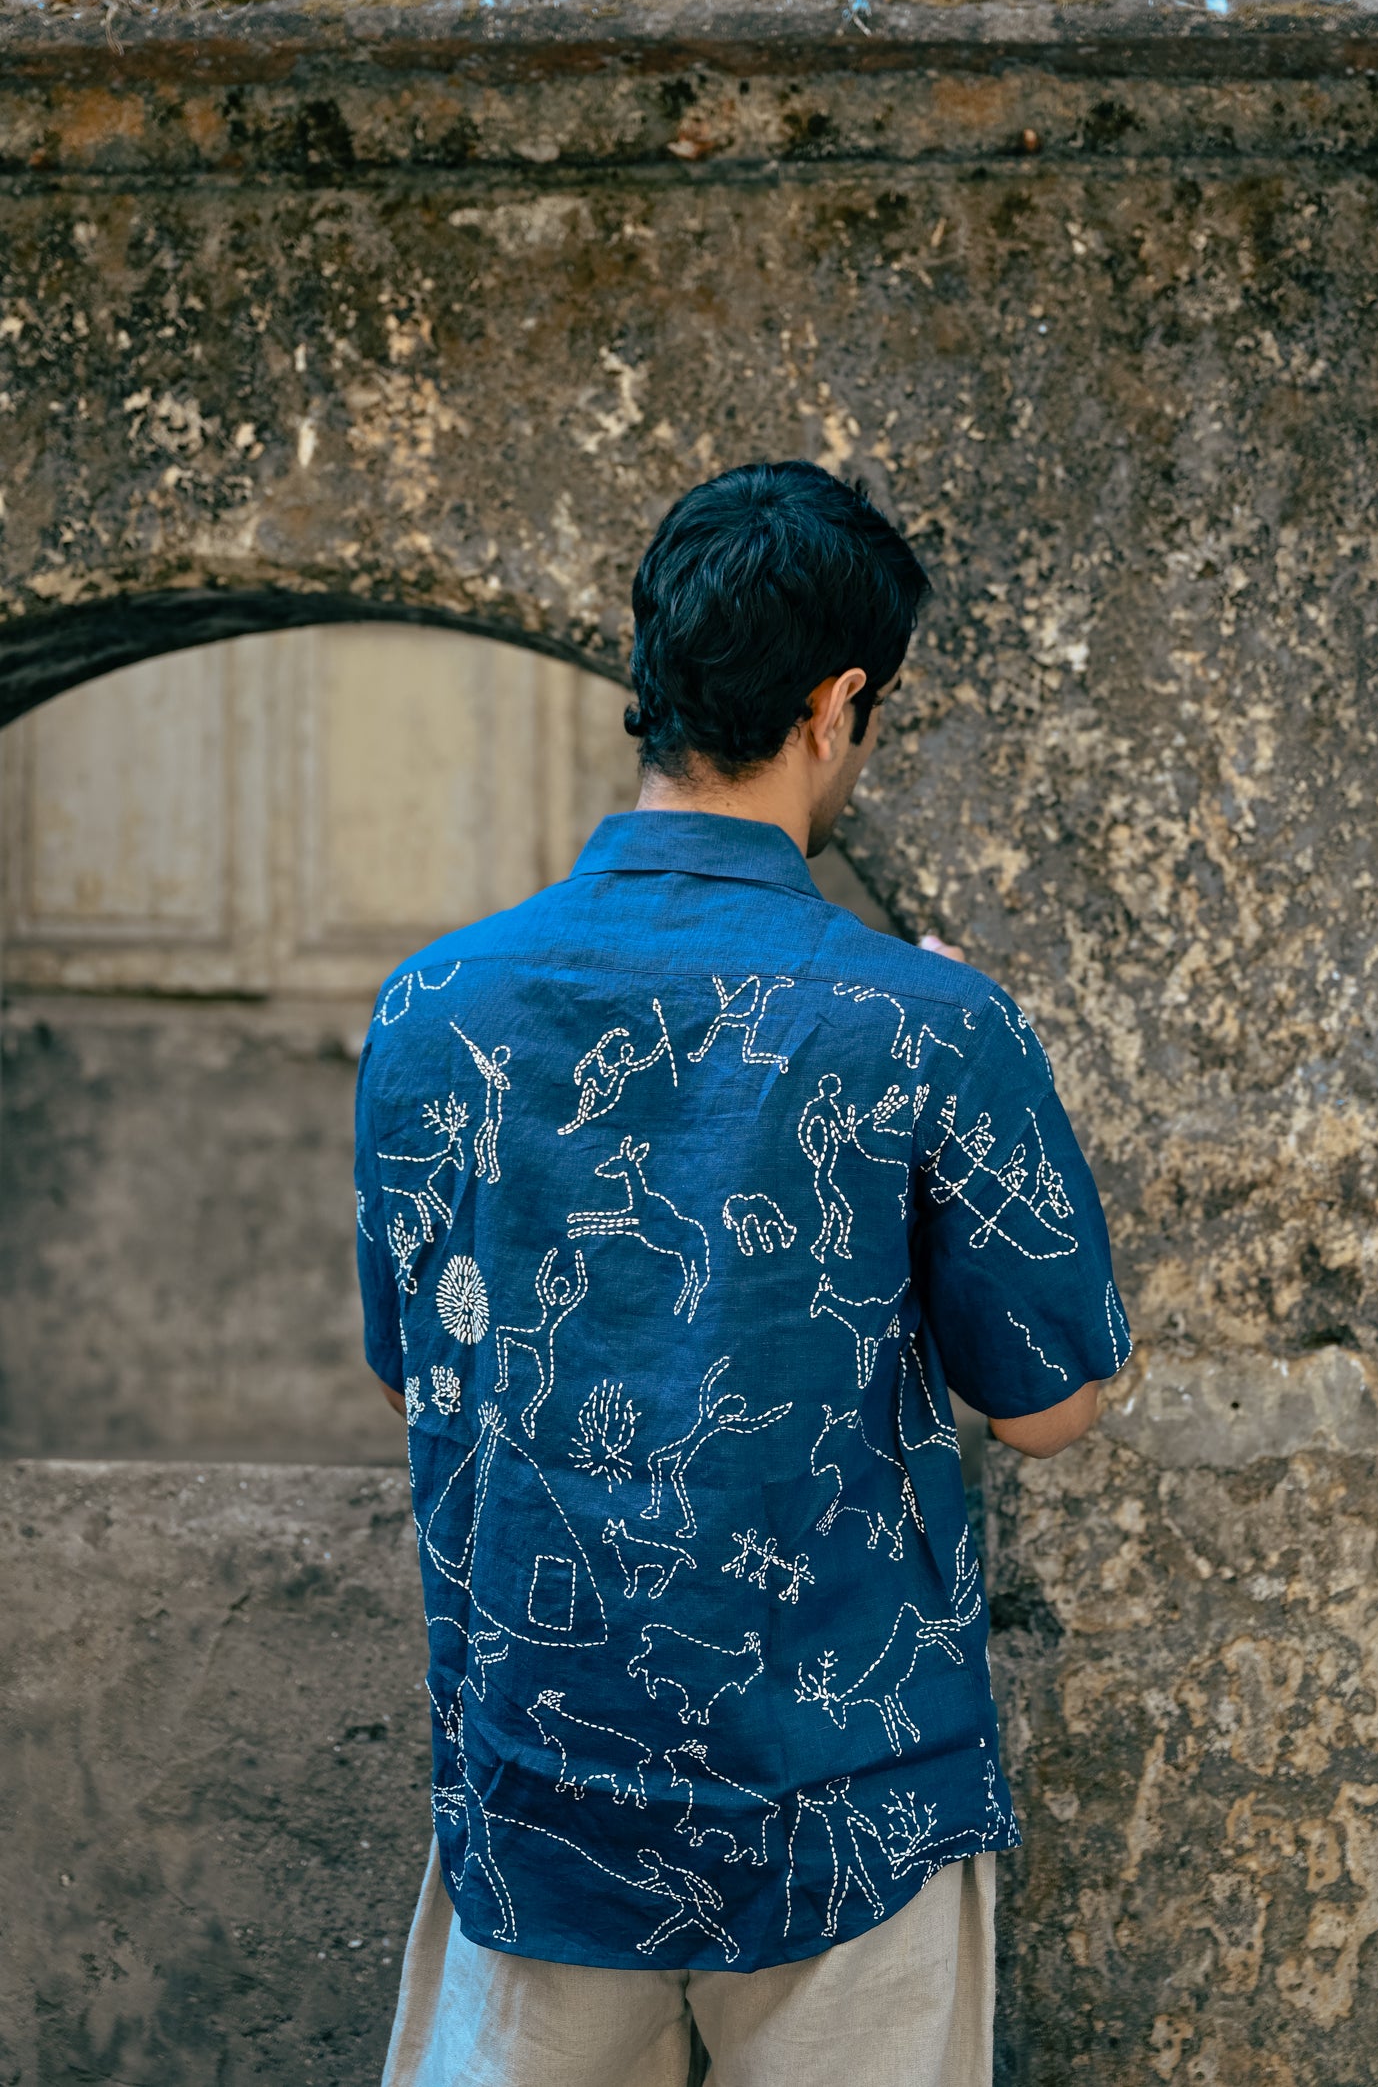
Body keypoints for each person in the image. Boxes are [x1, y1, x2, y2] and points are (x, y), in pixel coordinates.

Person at [355, 461, 1131, 2087]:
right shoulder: (929, 1022)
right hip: (845, 1801)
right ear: (836, 704)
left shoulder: (431, 1005)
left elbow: (418, 1362)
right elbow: (1049, 1410)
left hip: (539, 1792)